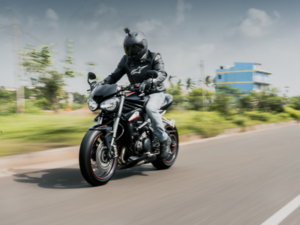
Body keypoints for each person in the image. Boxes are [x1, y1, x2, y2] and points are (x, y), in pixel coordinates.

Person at [102, 28, 171, 159]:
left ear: (144, 46)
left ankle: (164, 140)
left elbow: (162, 73)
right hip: (136, 92)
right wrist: (103, 83)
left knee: (150, 108)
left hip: (155, 92)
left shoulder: (154, 56)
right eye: (128, 48)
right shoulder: (126, 60)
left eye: (136, 48)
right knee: (117, 108)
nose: (132, 52)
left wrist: (151, 81)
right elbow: (114, 76)